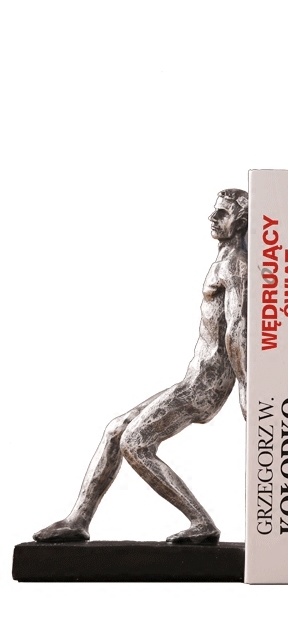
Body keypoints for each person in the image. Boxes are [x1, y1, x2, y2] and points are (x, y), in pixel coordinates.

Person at [34, 189, 248, 545]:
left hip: (204, 387)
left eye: (222, 214)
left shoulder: (236, 265)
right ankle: (78, 520)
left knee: (135, 443)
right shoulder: (224, 261)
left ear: (240, 223)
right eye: (214, 211)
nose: (213, 218)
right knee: (115, 430)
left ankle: (201, 523)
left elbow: (238, 330)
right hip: (193, 379)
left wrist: (248, 388)